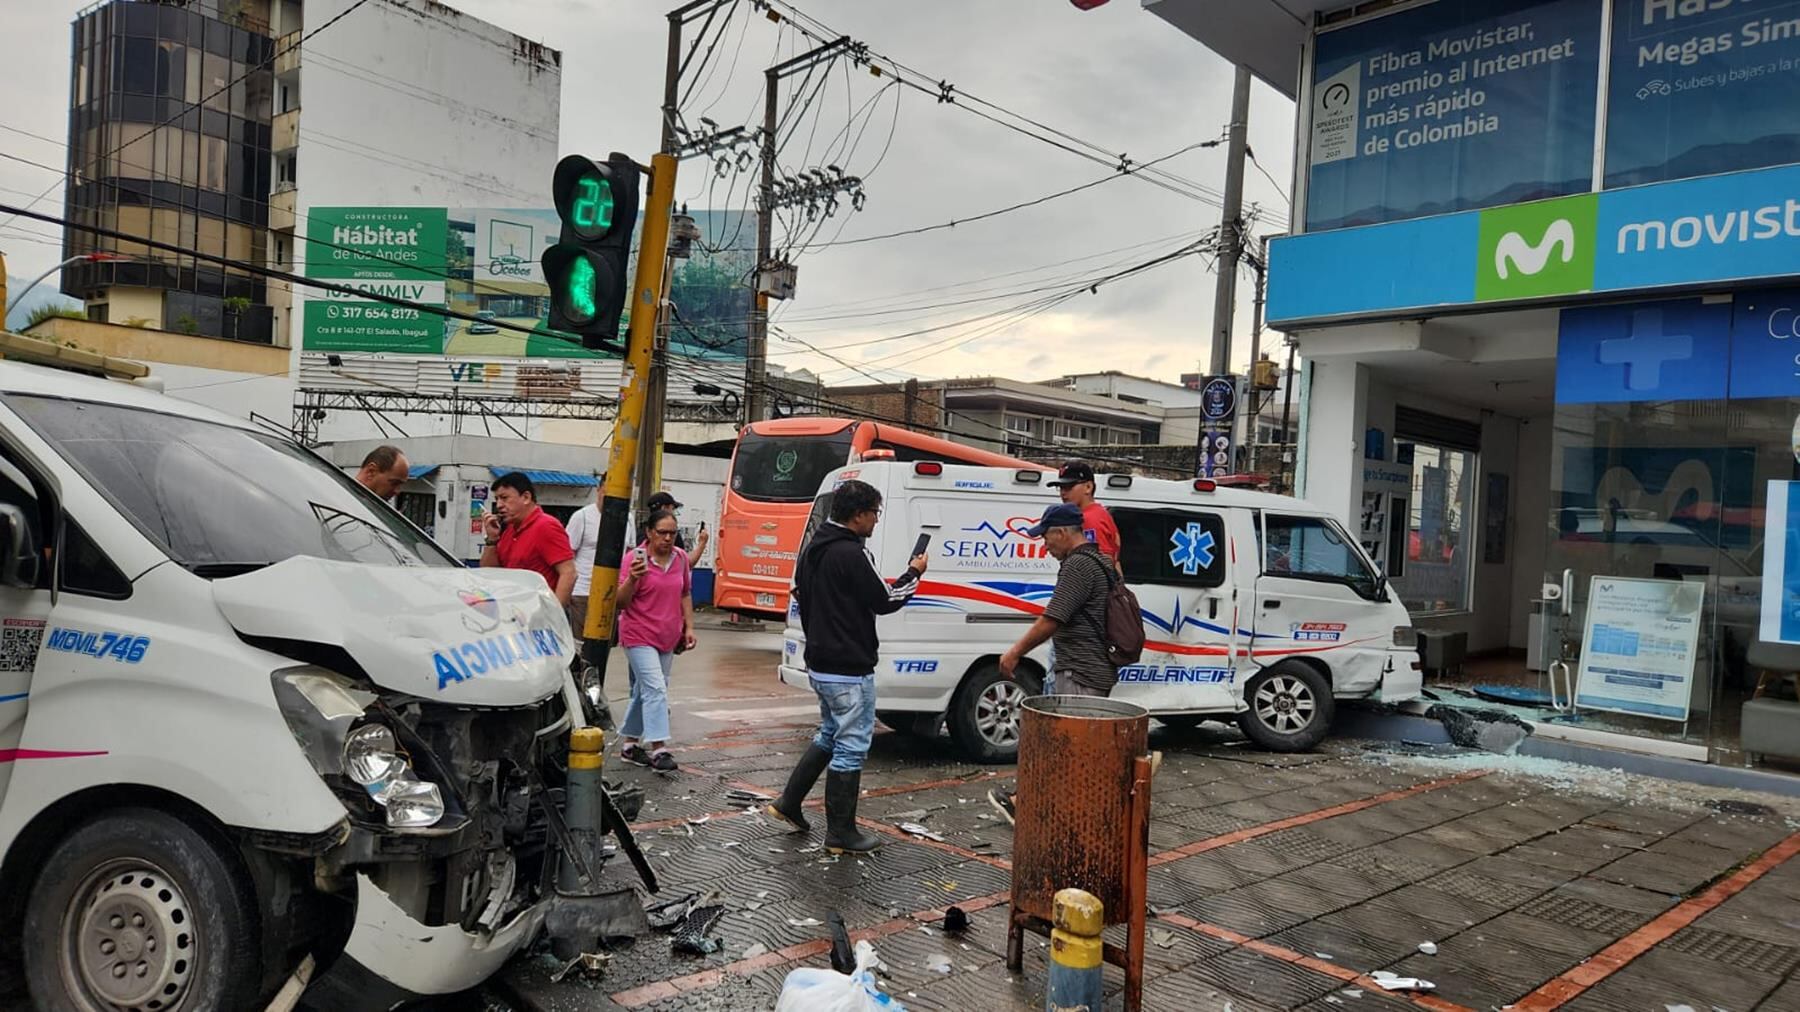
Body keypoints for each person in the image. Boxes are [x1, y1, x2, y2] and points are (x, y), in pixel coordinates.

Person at [765, 479, 927, 854]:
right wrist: (914, 572)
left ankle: (789, 803)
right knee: (851, 745)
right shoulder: (853, 553)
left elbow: (803, 595)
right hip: (849, 667)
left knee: (829, 733)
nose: (875, 521)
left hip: (820, 661)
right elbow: (886, 600)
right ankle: (841, 833)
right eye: (874, 514)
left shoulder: (813, 549)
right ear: (858, 515)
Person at [988, 502, 1120, 825]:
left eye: (1046, 537)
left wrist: (1015, 651)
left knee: (1073, 748)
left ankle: (1064, 815)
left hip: (1081, 669)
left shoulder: (1079, 566)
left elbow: (1053, 618)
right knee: (1074, 746)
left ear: (1062, 532)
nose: (1044, 545)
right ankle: (1051, 808)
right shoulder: (1101, 560)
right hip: (1093, 666)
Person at [615, 508, 696, 773]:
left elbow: (685, 593)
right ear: (649, 533)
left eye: (673, 533)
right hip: (637, 634)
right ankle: (659, 748)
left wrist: (689, 627)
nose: (668, 538)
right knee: (655, 688)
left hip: (667, 635)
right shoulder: (633, 560)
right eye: (662, 533)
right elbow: (621, 602)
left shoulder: (681, 559)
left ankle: (629, 744)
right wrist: (633, 579)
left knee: (645, 690)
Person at [1043, 460, 1121, 692]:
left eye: (1069, 486)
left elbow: (1103, 565)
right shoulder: (1102, 514)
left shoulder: (1089, 520)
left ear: (1088, 487)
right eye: (1060, 487)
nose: (1063, 493)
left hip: (1082, 636)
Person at [482, 472, 576, 607]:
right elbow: (489, 573)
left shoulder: (546, 526)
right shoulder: (509, 530)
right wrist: (492, 539)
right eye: (497, 499)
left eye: (504, 498)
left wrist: (555, 613)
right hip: (515, 613)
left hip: (540, 616)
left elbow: (569, 573)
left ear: (526, 497)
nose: (499, 505)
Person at [644, 490, 710, 568]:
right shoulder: (671, 535)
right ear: (664, 508)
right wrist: (702, 544)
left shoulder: (640, 532)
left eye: (672, 533)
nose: (667, 538)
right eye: (673, 509)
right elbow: (686, 564)